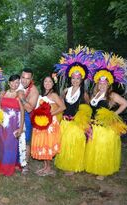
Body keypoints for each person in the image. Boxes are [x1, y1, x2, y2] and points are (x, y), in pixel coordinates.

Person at [85, 52, 127, 180]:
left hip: (106, 127)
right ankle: (95, 167)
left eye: (104, 83)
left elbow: (125, 103)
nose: (102, 85)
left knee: (103, 148)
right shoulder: (94, 95)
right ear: (97, 84)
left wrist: (112, 114)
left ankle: (103, 171)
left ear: (108, 84)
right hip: (95, 125)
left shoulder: (111, 95)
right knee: (94, 147)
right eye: (100, 83)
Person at [54, 46, 93, 175]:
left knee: (74, 144)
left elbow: (88, 108)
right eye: (73, 78)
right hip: (65, 122)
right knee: (64, 144)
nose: (75, 80)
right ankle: (64, 163)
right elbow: (59, 104)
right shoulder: (65, 91)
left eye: (78, 78)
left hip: (76, 124)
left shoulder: (85, 93)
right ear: (70, 78)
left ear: (81, 79)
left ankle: (73, 166)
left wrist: (84, 121)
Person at [31, 76, 65, 176]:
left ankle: (49, 168)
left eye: (50, 81)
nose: (47, 83)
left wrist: (50, 114)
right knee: (43, 144)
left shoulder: (53, 95)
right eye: (45, 81)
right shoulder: (41, 95)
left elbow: (63, 107)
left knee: (47, 144)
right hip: (41, 124)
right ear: (43, 83)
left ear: (53, 84)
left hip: (50, 124)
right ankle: (46, 167)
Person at [0, 74, 24, 176]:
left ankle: (8, 167)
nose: (14, 84)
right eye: (12, 82)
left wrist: (20, 128)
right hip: (3, 123)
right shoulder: (3, 93)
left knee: (10, 144)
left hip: (13, 124)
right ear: (9, 83)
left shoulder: (19, 95)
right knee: (2, 144)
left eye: (17, 82)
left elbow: (22, 111)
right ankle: (1, 165)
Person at [17, 68, 39, 174]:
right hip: (15, 114)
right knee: (16, 138)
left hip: (27, 116)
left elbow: (30, 108)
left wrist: (21, 96)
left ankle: (25, 164)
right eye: (23, 77)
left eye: (27, 78)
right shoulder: (17, 84)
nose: (24, 81)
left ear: (31, 79)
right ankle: (17, 161)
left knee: (25, 141)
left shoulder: (34, 91)